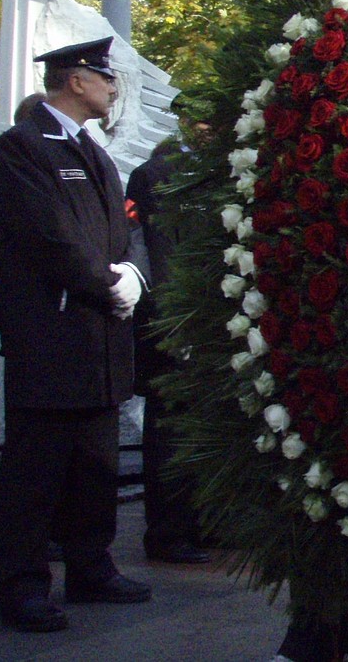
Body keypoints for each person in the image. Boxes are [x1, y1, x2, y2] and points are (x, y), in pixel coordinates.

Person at [0, 36, 152, 633]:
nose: (112, 88)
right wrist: (103, 281)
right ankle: (23, 584)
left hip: (100, 337)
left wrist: (132, 271)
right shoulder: (25, 146)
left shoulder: (95, 153)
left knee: (94, 466)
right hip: (53, 334)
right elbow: (46, 235)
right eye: (104, 77)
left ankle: (91, 565)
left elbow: (122, 225)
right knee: (35, 473)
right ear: (75, 80)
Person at [125, 140, 211, 565]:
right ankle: (170, 530)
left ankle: (201, 524)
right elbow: (158, 253)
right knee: (170, 427)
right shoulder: (156, 175)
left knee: (198, 426)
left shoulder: (211, 174)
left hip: (202, 320)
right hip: (175, 323)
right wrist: (177, 319)